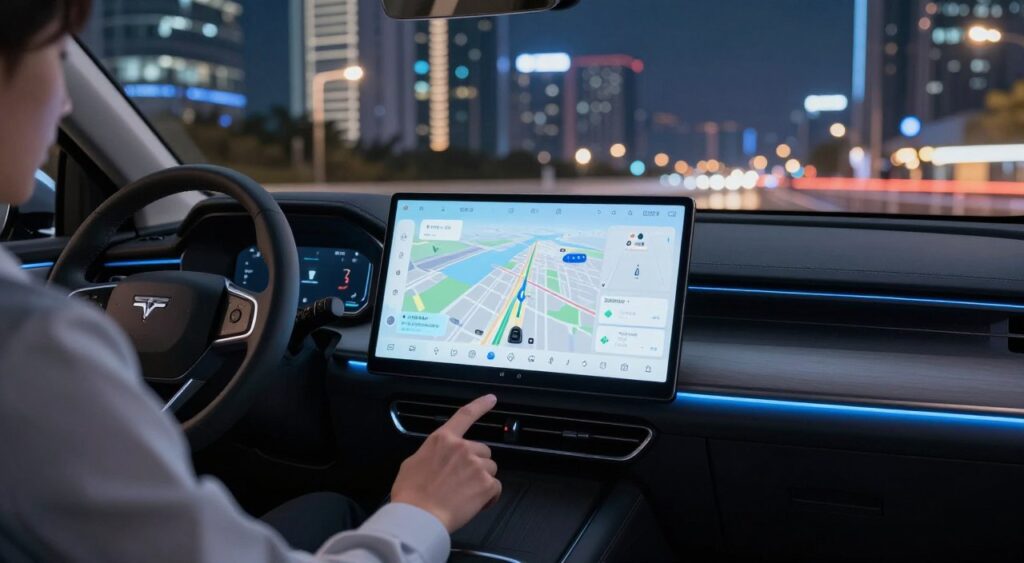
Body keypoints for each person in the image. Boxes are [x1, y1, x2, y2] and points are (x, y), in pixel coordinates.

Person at [0, 2, 501, 561]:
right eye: (59, 57)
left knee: (327, 507)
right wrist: (422, 510)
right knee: (337, 508)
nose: (66, 101)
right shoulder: (29, 344)